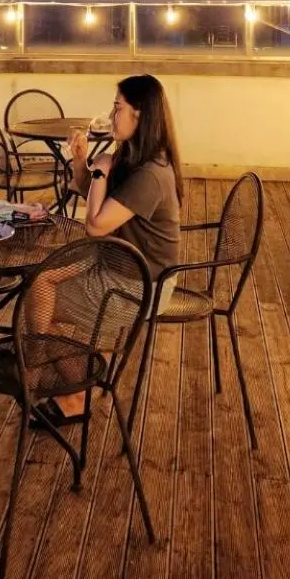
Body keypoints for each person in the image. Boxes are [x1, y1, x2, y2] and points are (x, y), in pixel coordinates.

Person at [38, 73, 183, 425]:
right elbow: (92, 191)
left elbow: (96, 224)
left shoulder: (151, 172)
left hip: (141, 284)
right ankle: (82, 378)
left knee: (39, 293)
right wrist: (81, 160)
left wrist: (101, 170)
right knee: (42, 278)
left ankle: (75, 389)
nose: (111, 114)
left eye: (117, 108)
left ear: (140, 116)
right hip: (119, 263)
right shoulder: (135, 154)